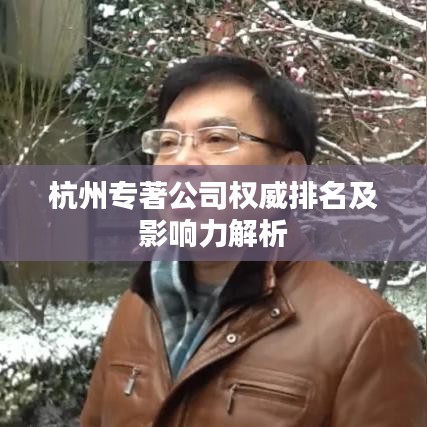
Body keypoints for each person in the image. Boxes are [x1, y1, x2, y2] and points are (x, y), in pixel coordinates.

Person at [80, 55, 425, 427]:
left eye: (216, 139)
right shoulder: (137, 306)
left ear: (288, 175)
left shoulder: (365, 334)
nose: (182, 161)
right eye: (167, 141)